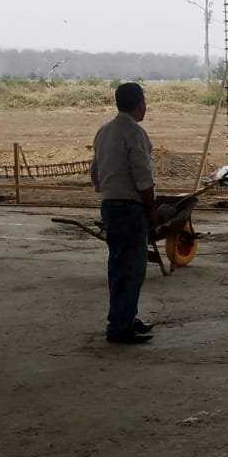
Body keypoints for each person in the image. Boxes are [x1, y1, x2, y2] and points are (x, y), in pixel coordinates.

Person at [91, 82, 158, 344]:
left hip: (110, 205)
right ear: (139, 103)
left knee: (118, 265)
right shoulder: (134, 133)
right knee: (132, 269)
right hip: (130, 208)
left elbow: (95, 172)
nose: (145, 106)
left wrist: (109, 190)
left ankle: (125, 317)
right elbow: (143, 176)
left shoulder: (104, 131)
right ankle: (120, 326)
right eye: (144, 101)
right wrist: (151, 208)